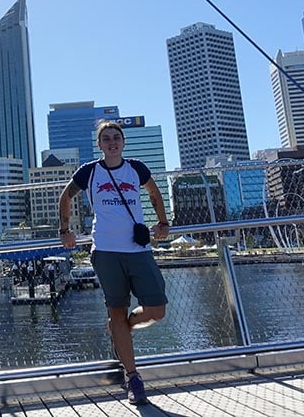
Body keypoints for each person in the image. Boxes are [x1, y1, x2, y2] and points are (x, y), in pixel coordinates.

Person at [57, 121, 170, 406]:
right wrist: (65, 230)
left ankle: (123, 329)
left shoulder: (136, 169)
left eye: (116, 138)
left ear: (123, 142)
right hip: (106, 251)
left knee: (157, 310)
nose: (112, 142)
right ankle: (133, 378)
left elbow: (155, 194)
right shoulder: (90, 172)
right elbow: (65, 196)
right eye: (106, 139)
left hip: (138, 249)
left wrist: (163, 222)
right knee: (116, 311)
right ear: (100, 144)